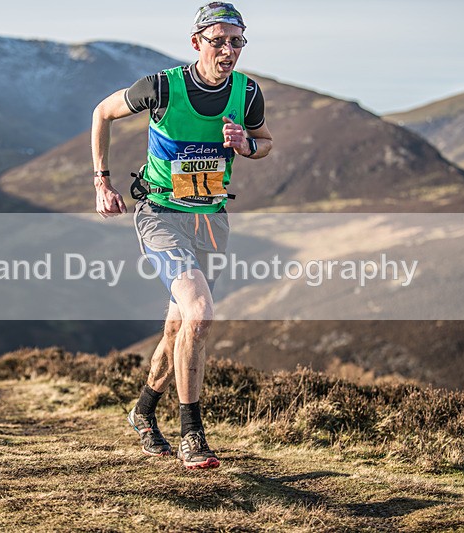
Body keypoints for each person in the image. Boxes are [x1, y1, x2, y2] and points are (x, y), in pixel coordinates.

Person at [91, 2, 273, 469]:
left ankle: (143, 413)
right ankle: (193, 434)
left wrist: (246, 146)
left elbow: (265, 141)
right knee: (201, 313)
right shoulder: (161, 87)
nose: (229, 50)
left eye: (237, 41)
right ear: (197, 43)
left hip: (211, 219)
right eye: (219, 41)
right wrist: (102, 182)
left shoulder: (247, 93)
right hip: (160, 215)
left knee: (180, 327)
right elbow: (101, 113)